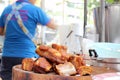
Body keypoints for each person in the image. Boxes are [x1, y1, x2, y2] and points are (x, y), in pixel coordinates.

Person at [0, 0, 57, 80]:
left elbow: (1, 31)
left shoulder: (7, 9)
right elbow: (53, 25)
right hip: (27, 56)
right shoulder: (35, 10)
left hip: (7, 56)